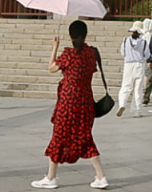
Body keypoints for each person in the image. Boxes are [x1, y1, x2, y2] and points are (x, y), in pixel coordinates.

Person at [33, 20, 109, 189]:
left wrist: (55, 47)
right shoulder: (91, 53)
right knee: (86, 137)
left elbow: (51, 68)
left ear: (70, 35)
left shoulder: (69, 54)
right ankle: (101, 176)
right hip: (86, 101)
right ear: (86, 34)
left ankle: (51, 177)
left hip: (68, 101)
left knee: (58, 136)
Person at [116, 20, 148, 118]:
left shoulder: (126, 40)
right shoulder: (143, 42)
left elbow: (122, 52)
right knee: (138, 88)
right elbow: (147, 54)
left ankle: (122, 104)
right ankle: (137, 110)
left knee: (126, 86)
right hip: (139, 65)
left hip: (128, 64)